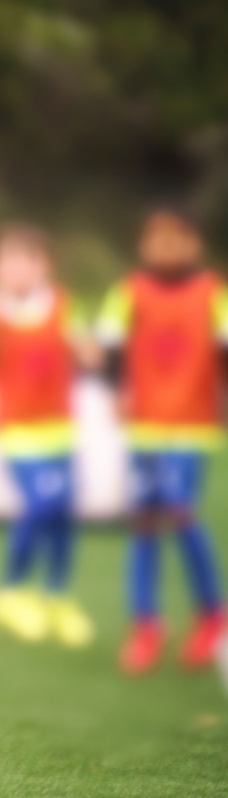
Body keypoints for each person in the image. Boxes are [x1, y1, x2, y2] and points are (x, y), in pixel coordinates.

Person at [97, 206, 228, 674]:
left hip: (192, 423)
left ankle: (212, 613)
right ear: (143, 246)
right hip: (145, 425)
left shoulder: (213, 292)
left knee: (179, 508)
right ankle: (146, 623)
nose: (167, 247)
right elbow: (110, 346)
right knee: (144, 521)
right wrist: (116, 392)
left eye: (178, 238)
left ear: (195, 244)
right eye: (158, 238)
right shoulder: (128, 292)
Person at [0, 224, 98, 649]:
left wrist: (91, 351)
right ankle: (10, 591)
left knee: (64, 512)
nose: (18, 269)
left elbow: (87, 353)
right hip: (16, 428)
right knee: (41, 504)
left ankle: (58, 595)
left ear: (46, 267)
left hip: (60, 428)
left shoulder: (64, 306)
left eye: (28, 260)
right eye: (9, 260)